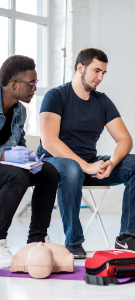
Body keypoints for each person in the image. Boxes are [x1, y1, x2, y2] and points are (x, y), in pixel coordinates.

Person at [37, 48, 135, 259]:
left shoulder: (102, 101)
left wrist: (111, 162)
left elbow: (125, 139)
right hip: (54, 163)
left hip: (88, 164)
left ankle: (128, 237)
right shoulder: (56, 96)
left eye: (104, 73)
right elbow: (49, 141)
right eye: (96, 71)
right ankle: (73, 242)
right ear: (80, 68)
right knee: (72, 168)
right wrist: (85, 166)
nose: (100, 78)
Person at [0, 55, 59, 264]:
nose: (35, 88)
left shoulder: (20, 111)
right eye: (31, 83)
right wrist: (4, 155)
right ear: (14, 84)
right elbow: (7, 153)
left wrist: (28, 157)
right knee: (18, 177)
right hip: (4, 166)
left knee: (49, 172)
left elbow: (19, 142)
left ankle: (36, 242)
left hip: (5, 166)